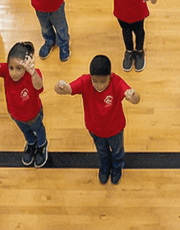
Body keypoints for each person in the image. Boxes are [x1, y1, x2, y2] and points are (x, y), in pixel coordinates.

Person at [58, 54, 139, 185]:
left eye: (103, 81)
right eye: (95, 81)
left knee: (118, 152)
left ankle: (117, 168)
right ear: (91, 77)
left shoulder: (117, 82)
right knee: (102, 152)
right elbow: (67, 89)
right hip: (95, 130)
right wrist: (61, 87)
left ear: (110, 76)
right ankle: (105, 167)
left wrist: (133, 96)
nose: (99, 85)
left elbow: (136, 100)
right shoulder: (85, 81)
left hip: (115, 130)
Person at [0, 42, 49, 166]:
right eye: (11, 68)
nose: (14, 73)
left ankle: (42, 145)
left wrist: (33, 73)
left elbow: (39, 87)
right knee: (26, 132)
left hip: (34, 115)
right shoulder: (5, 71)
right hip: (16, 115)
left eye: (19, 68)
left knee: (39, 130)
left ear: (26, 67)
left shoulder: (34, 75)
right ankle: (31, 143)